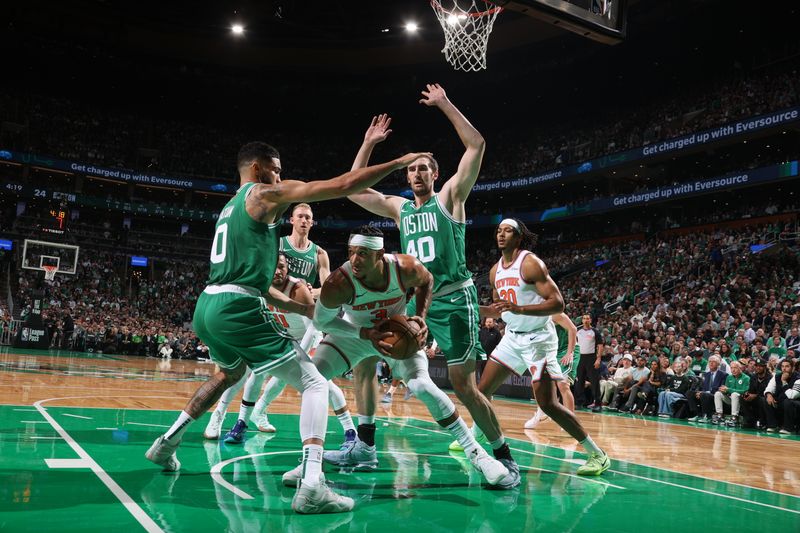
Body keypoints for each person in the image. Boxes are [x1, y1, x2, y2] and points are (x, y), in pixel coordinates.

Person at [145, 141, 427, 514]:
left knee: (229, 374)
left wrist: (303, 309)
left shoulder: (231, 209)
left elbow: (261, 286)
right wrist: (397, 163)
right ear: (260, 169)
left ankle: (167, 443)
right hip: (237, 307)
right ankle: (313, 485)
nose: (280, 175)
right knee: (313, 381)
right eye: (277, 169)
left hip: (209, 305)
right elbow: (342, 185)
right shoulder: (262, 194)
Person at [347, 87, 520, 472]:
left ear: (436, 174)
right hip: (416, 301)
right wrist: (368, 144)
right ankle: (365, 442)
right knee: (366, 358)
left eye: (424, 167)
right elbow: (355, 187)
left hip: (456, 299)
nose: (417, 172)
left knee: (465, 387)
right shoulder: (400, 209)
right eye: (412, 168)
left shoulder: (451, 197)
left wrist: (444, 104)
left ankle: (503, 454)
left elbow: (476, 145)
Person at [293, 225, 518, 489]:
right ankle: (310, 464)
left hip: (395, 333)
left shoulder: (405, 268)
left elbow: (427, 281)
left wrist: (420, 317)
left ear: (381, 255)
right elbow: (322, 322)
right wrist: (365, 333)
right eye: (352, 252)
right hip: (355, 334)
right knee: (313, 379)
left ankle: (477, 454)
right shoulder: (338, 282)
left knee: (421, 384)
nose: (355, 260)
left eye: (363, 254)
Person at [472, 219, 610, 476]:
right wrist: (472, 309)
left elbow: (557, 304)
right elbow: (498, 311)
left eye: (508, 231)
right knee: (481, 391)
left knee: (547, 404)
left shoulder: (531, 263)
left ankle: (597, 454)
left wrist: (520, 309)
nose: (501, 235)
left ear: (519, 237)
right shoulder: (494, 271)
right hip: (513, 337)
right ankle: (473, 438)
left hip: (539, 339)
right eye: (499, 231)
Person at [201, 254, 355, 443]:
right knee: (253, 372)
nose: (277, 271)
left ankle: (350, 431)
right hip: (279, 335)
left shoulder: (298, 289)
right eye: (273, 267)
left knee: (322, 382)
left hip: (306, 337)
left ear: (287, 269)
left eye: (281, 267)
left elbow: (313, 326)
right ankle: (235, 420)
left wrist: (298, 354)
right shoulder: (259, 286)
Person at [525, 312, 578, 428]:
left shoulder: (556, 314)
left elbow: (573, 330)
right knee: (537, 381)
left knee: (563, 384)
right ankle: (542, 411)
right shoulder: (534, 317)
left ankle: (571, 422)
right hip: (550, 351)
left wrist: (570, 352)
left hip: (565, 350)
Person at [575, 314, 605, 412]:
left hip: (591, 357)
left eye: (588, 318)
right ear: (582, 320)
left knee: (594, 381)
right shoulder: (578, 331)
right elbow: (575, 345)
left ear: (590, 320)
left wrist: (598, 359)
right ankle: (579, 402)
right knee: (580, 381)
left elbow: (600, 346)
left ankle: (597, 404)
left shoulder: (595, 332)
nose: (586, 320)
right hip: (580, 357)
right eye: (584, 318)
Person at [687, 355, 727, 423]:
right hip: (705, 394)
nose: (711, 363)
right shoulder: (706, 374)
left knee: (704, 395)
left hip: (715, 395)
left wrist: (705, 392)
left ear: (718, 364)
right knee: (690, 393)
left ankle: (707, 416)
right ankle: (698, 414)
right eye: (710, 362)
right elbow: (702, 387)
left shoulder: (723, 375)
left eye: (713, 362)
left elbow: (721, 388)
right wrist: (699, 392)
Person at [764, 359, 800, 433]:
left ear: (792, 368)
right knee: (766, 399)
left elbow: (792, 396)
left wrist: (784, 382)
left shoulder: (798, 378)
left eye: (787, 366)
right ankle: (773, 426)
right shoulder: (777, 376)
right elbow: (769, 388)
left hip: (795, 404)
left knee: (788, 401)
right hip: (782, 402)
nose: (784, 368)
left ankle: (788, 428)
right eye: (782, 366)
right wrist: (768, 394)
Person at [712, 360, 750, 426]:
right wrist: (723, 390)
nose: (733, 370)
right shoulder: (729, 377)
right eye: (731, 368)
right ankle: (719, 415)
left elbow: (745, 391)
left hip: (741, 400)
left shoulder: (746, 378)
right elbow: (727, 390)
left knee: (734, 394)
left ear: (740, 368)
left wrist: (729, 390)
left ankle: (734, 417)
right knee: (718, 393)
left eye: (735, 368)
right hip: (730, 399)